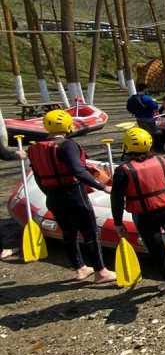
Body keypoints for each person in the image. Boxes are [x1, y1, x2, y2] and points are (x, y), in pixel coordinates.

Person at [26, 110, 116, 283]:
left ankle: (80, 268)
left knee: (68, 232)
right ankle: (101, 272)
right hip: (73, 194)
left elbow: (37, 175)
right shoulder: (67, 145)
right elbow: (78, 170)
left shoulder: (34, 148)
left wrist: (49, 193)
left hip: (52, 196)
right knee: (90, 232)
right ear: (68, 125)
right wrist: (103, 186)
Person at [111, 128, 165, 294]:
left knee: (157, 250)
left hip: (144, 215)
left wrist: (118, 223)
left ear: (127, 146)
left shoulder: (123, 170)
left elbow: (116, 199)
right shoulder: (164, 161)